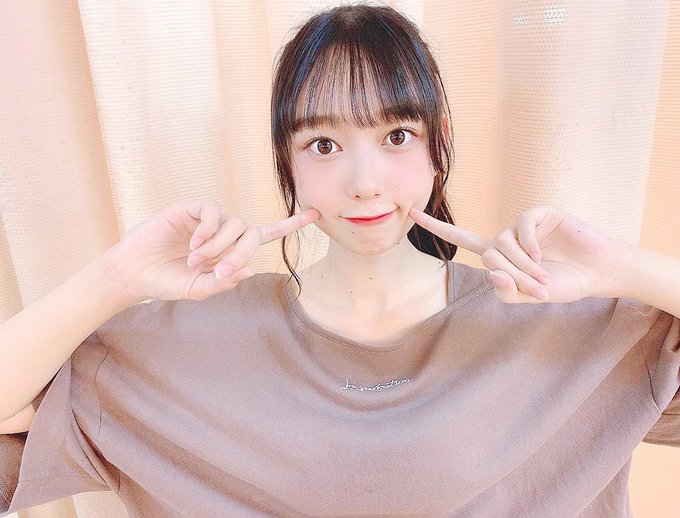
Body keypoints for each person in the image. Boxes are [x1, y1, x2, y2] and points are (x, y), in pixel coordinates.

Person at [1, 3, 678, 517]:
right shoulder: (186, 344)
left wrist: (619, 266)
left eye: (396, 135)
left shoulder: (557, 327)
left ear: (438, 142)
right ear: (288, 162)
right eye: (323, 145)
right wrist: (116, 277)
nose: (364, 182)